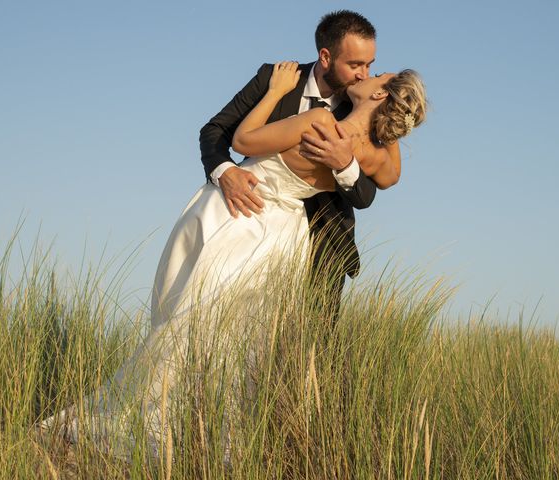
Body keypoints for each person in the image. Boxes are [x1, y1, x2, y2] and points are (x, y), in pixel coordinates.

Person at [39, 61, 427, 462]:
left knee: (192, 320)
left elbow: (243, 141)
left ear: (382, 95)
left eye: (377, 76)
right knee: (245, 341)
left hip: (244, 218)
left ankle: (146, 425)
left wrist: (276, 92)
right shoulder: (376, 156)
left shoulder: (319, 120)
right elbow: (390, 177)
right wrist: (365, 148)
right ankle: (212, 437)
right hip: (285, 237)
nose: (368, 74)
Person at [199, 10, 402, 314]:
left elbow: (368, 193)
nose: (365, 74)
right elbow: (216, 130)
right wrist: (224, 171)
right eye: (355, 64)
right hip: (250, 217)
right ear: (325, 57)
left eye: (370, 64)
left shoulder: (364, 107)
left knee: (311, 345)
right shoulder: (275, 79)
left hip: (326, 240)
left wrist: (345, 164)